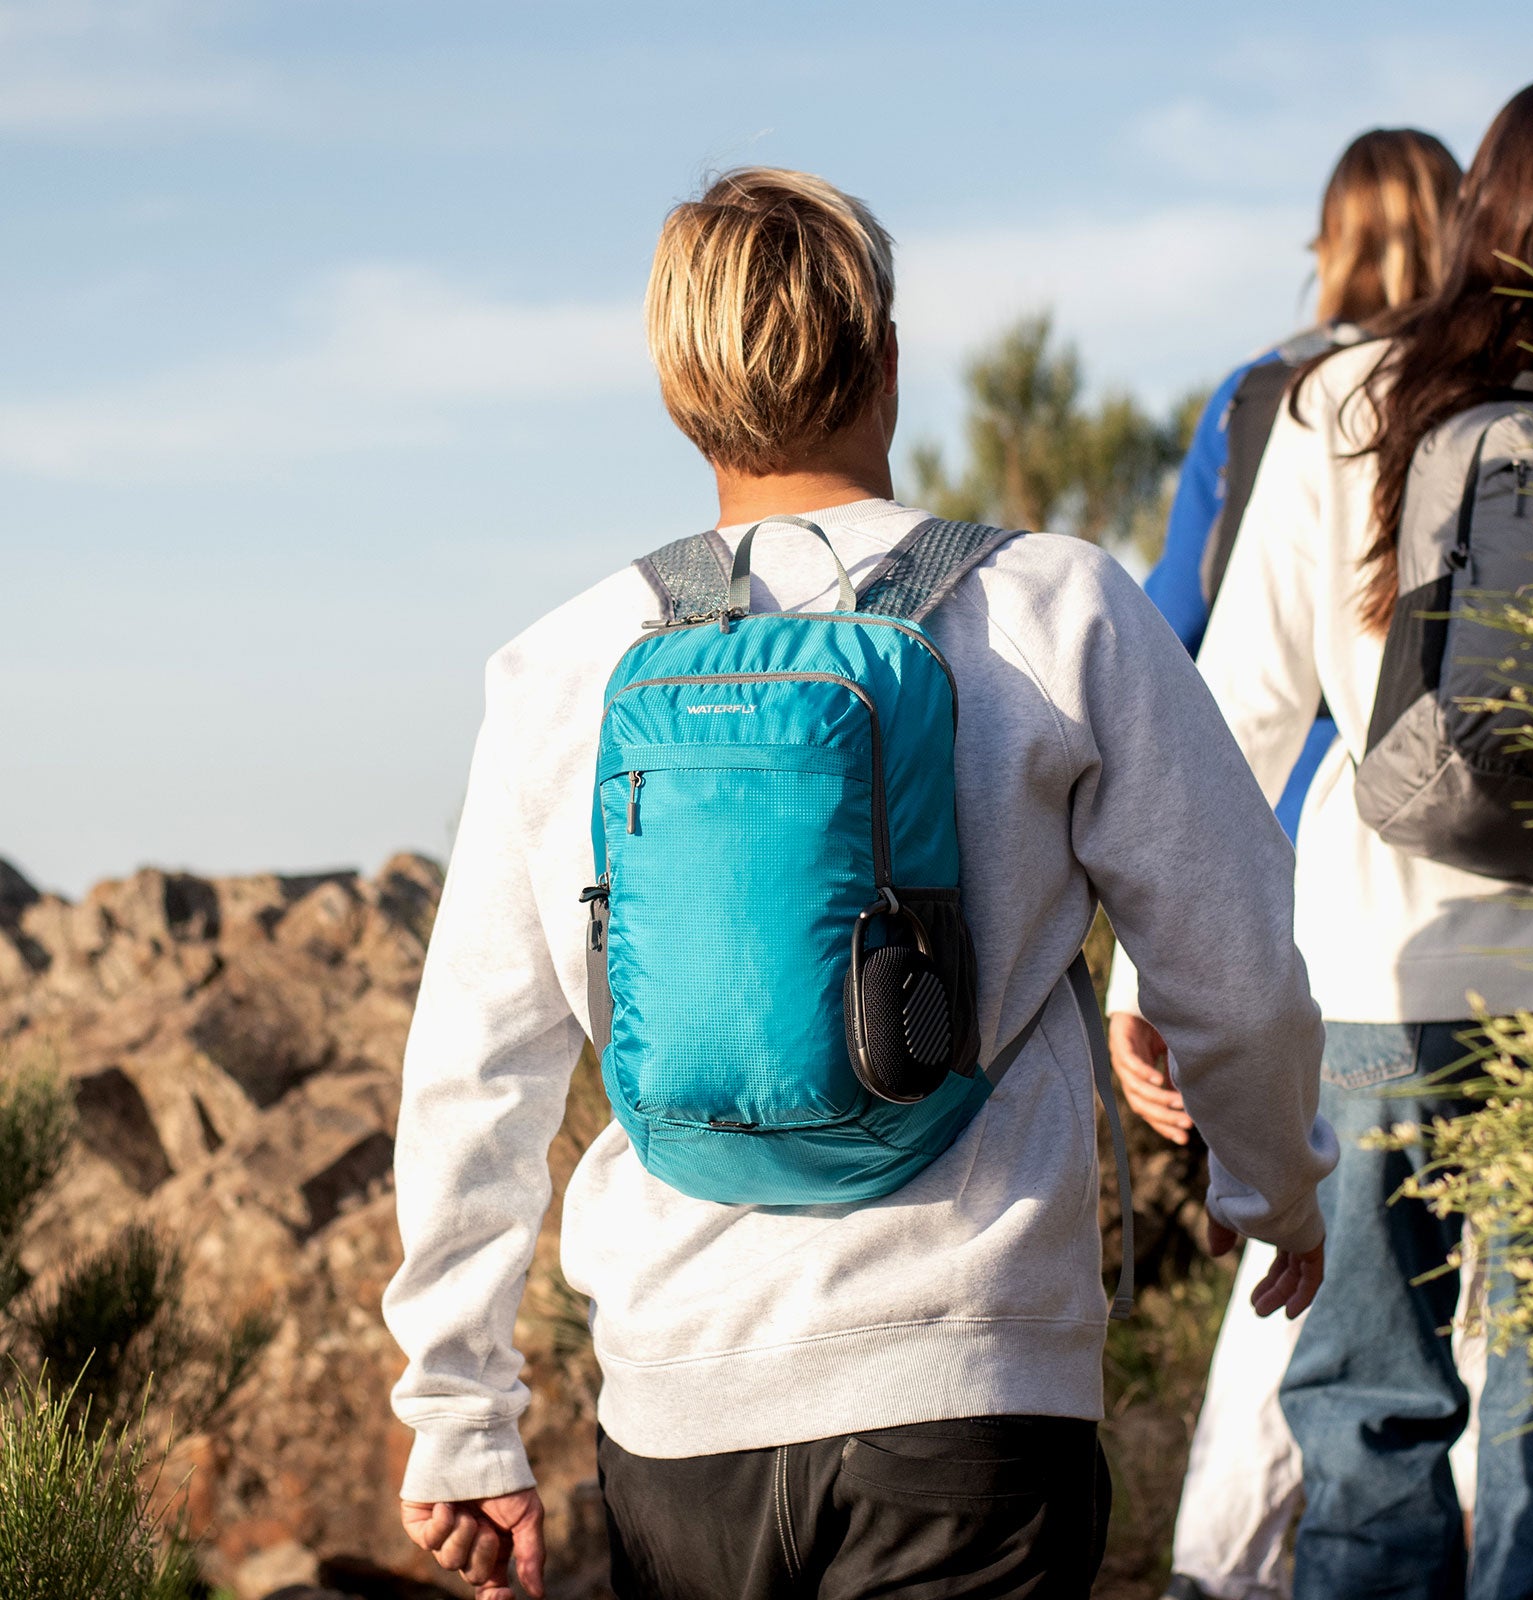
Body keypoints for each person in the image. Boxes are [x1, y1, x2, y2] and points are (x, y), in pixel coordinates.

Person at [381, 167, 1336, 1600]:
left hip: (679, 1412)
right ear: (887, 358)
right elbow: (1237, 963)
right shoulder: (1058, 608)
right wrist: (1274, 1188)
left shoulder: (561, 667)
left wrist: (459, 1407)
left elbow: (475, 1067)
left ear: (676, 394)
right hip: (972, 1387)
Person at [1118, 76, 1533, 1600]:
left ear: (1480, 212)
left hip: (1377, 986)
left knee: (1364, 1420)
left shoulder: (1344, 401)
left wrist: (1147, 980)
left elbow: (1229, 720)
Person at [1107, 128, 1462, 1600]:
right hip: (1491, 897)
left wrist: (1141, 946)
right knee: (1482, 1332)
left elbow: (1186, 655)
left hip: (1303, 882)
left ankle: (1219, 1570)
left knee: (1305, 1262)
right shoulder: (1511, 384)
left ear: (1324, 243)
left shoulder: (1271, 397)